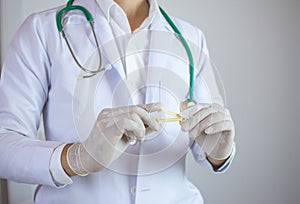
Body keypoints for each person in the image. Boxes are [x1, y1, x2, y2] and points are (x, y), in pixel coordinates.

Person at [0, 0, 236, 203]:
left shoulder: (189, 37)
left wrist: (217, 151)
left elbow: (207, 147)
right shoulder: (43, 31)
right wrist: (77, 158)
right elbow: (4, 144)